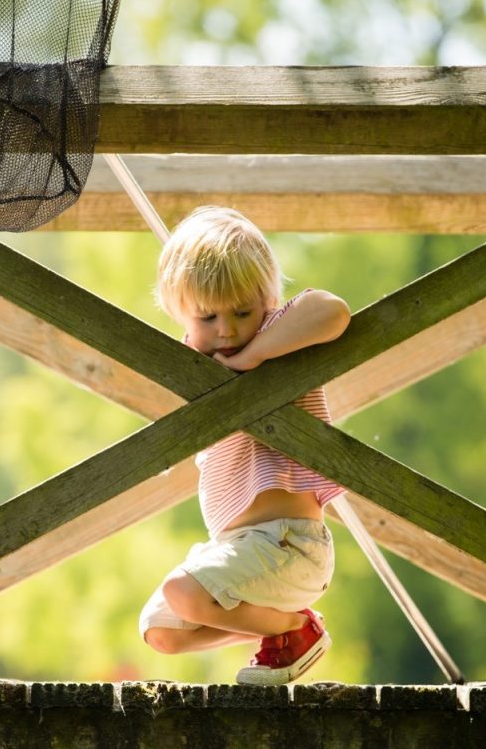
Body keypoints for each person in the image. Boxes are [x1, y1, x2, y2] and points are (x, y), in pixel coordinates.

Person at [139, 206, 351, 685]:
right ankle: (281, 627)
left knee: (182, 591)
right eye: (207, 316)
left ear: (267, 300)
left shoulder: (282, 338)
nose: (227, 330)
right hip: (238, 551)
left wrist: (253, 356)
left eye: (242, 312)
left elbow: (333, 312)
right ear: (179, 314)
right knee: (160, 631)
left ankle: (293, 628)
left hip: (289, 543)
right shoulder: (192, 368)